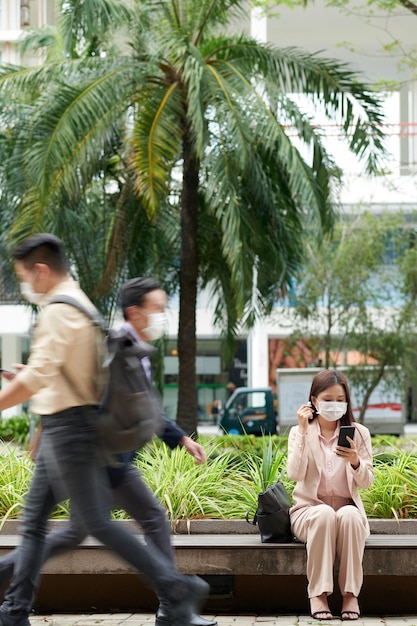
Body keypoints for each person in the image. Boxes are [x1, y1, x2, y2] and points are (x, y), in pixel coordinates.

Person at [0, 234, 208, 626]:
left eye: (24, 276)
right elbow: (64, 374)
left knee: (92, 522)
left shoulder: (59, 311)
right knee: (36, 526)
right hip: (63, 425)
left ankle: (175, 588)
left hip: (70, 429)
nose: (25, 284)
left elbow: (42, 374)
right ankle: (13, 611)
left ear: (40, 270)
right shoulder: (79, 304)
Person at [287, 369, 374, 621]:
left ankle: (350, 595)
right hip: (308, 513)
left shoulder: (358, 433)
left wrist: (356, 461)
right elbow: (294, 473)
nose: (334, 405)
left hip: (348, 513)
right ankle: (318, 594)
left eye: (340, 399)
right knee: (324, 513)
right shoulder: (298, 432)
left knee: (348, 515)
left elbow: (367, 483)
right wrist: (303, 431)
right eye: (327, 399)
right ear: (313, 401)